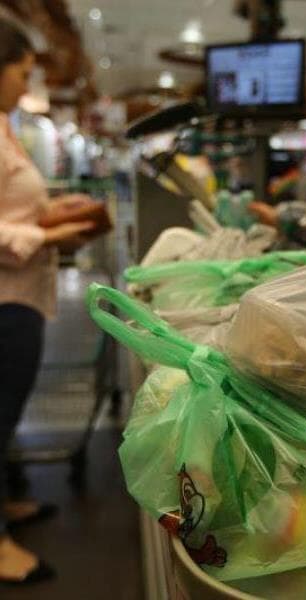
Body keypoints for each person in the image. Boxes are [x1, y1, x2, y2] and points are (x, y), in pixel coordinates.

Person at [0, 18, 96, 585]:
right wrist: (47, 234)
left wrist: (53, 215)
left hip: (21, 294)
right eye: (20, 72)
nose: (26, 84)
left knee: (7, 411)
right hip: (5, 297)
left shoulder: (6, 127)